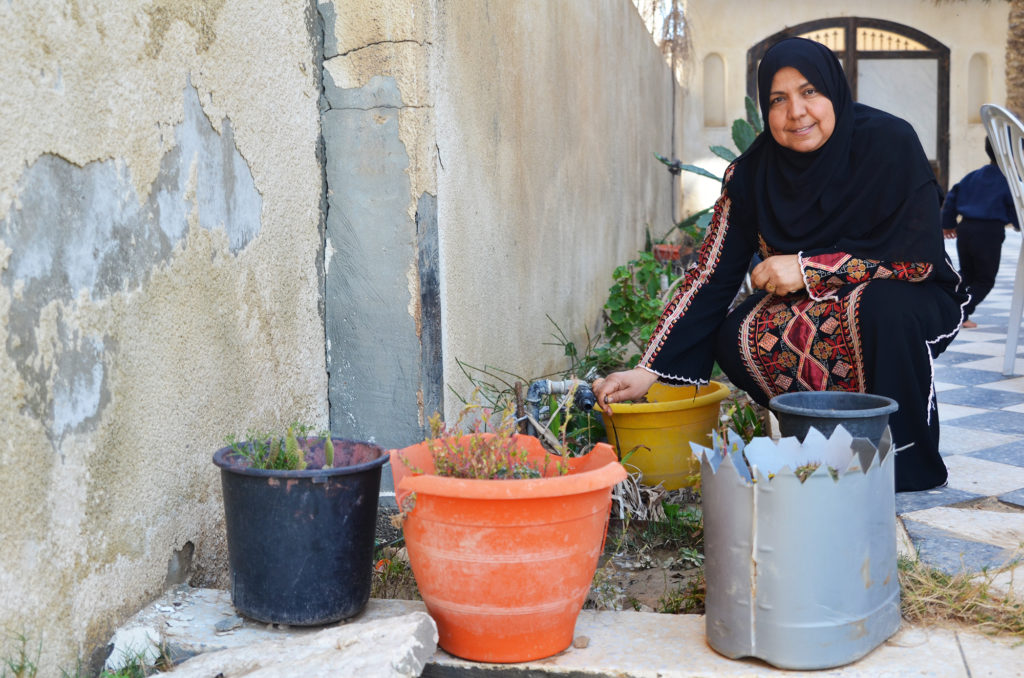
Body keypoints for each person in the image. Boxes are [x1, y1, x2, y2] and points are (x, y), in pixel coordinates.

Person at [593, 37, 965, 492]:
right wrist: (648, 368)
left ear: (834, 92)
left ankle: (899, 458)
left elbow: (917, 259)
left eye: (810, 92)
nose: (797, 112)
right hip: (816, 311)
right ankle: (819, 441)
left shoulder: (889, 142)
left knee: (881, 308)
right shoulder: (752, 175)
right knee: (736, 335)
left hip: (909, 298)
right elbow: (712, 273)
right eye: (778, 99)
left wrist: (810, 268)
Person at [940, 137, 1019, 328]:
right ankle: (961, 314)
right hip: (989, 233)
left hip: (966, 228)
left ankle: (945, 306)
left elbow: (952, 196)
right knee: (984, 279)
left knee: (967, 273)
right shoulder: (1009, 180)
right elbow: (1015, 205)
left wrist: (948, 223)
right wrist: (1018, 224)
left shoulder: (973, 175)